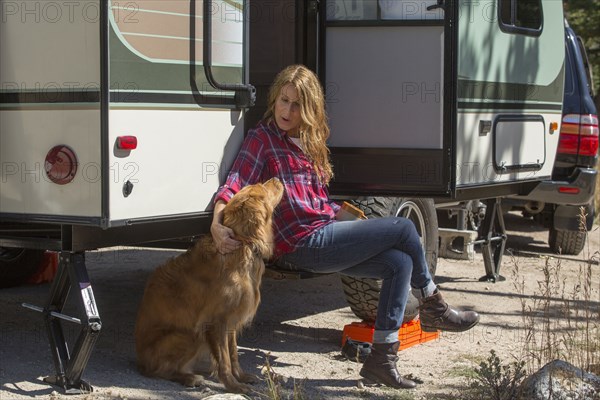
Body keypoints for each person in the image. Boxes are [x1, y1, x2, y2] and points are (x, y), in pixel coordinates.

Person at [211, 64, 479, 389]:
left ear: (309, 109)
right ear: (275, 99)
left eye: (297, 105)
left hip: (325, 235)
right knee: (404, 230)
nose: (287, 110)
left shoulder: (309, 145)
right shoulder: (264, 139)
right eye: (283, 100)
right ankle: (435, 306)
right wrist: (217, 219)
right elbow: (235, 181)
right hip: (302, 243)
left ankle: (382, 360)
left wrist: (350, 221)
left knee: (400, 263)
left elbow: (318, 204)